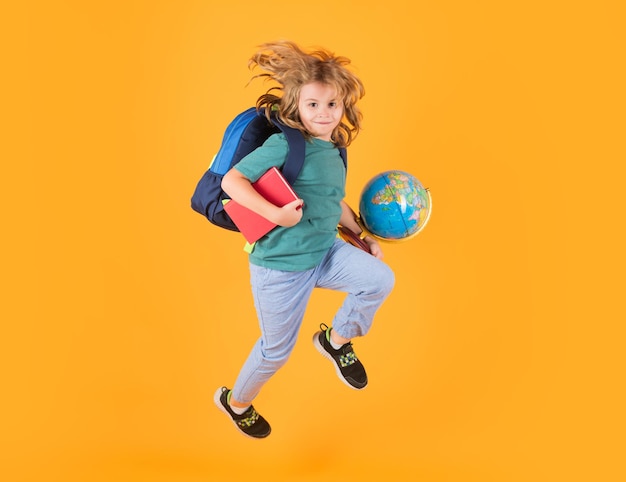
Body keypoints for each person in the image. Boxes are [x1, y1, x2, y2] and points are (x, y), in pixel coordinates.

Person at [214, 41, 395, 438]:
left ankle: (336, 341)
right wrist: (276, 214)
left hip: (324, 252)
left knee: (379, 279)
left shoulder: (335, 150)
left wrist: (361, 236)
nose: (323, 113)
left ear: (344, 106)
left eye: (332, 105)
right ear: (295, 106)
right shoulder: (284, 144)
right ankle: (236, 402)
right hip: (280, 268)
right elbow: (232, 181)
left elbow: (334, 201)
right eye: (313, 105)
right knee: (276, 351)